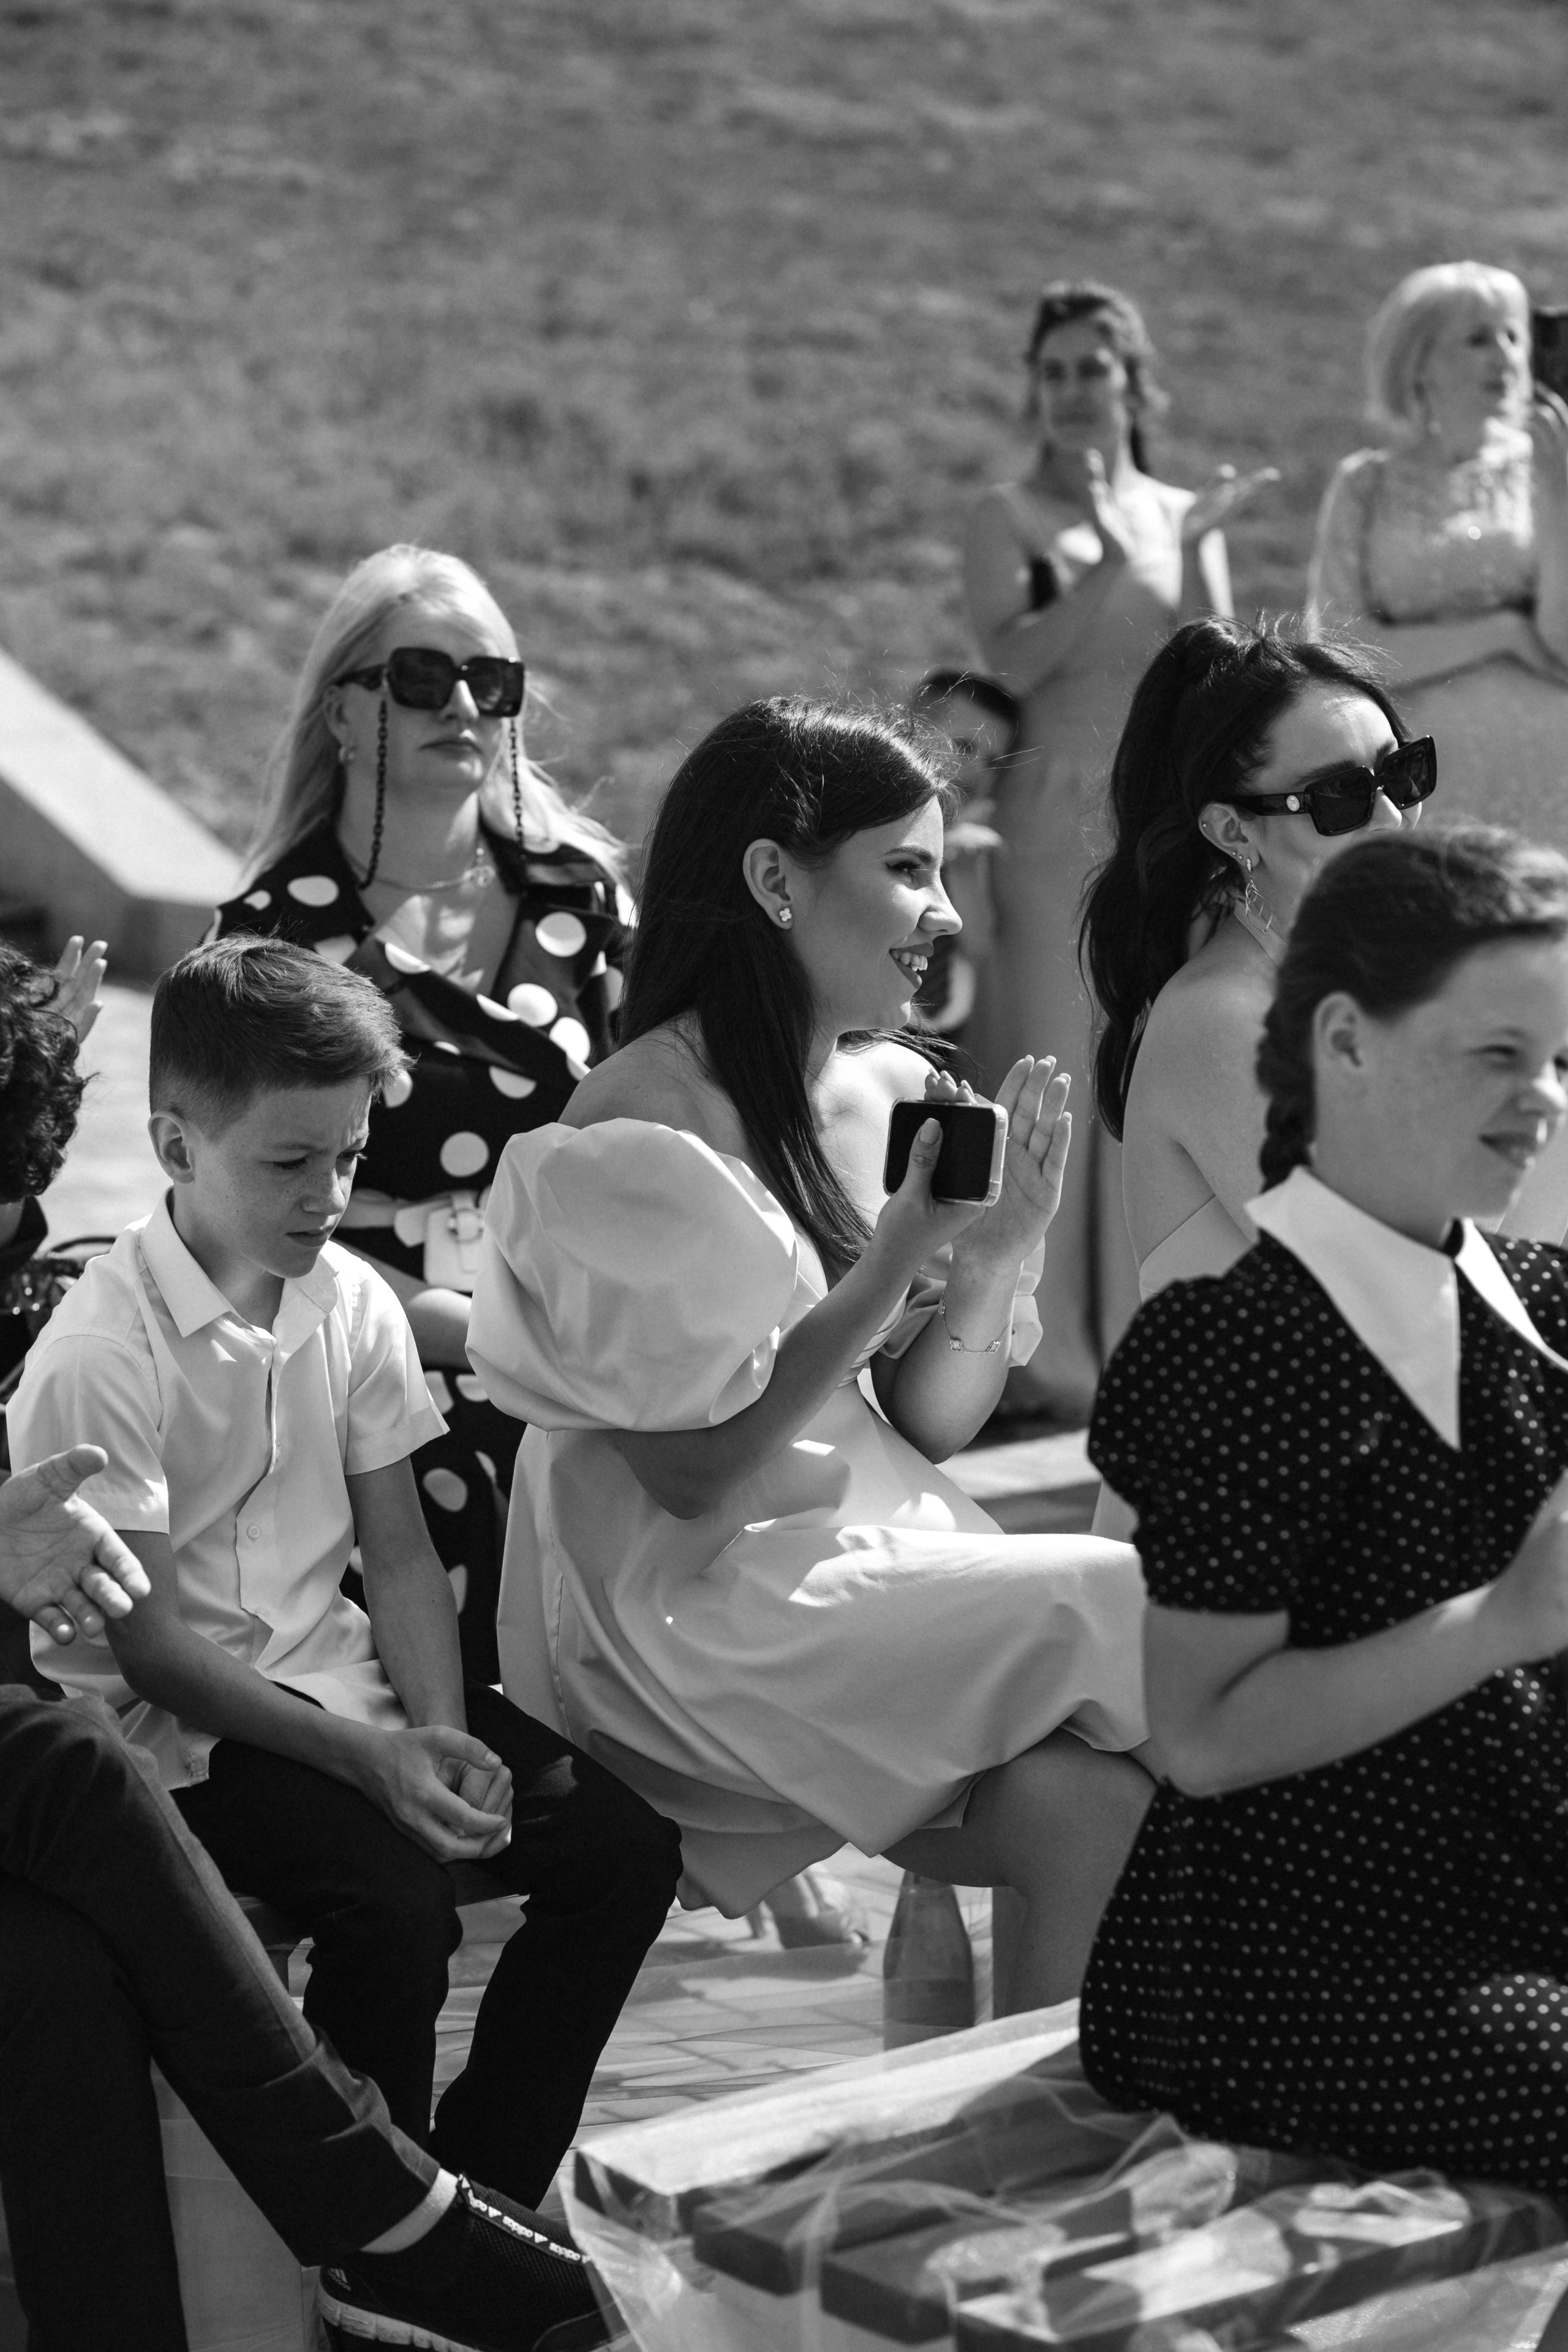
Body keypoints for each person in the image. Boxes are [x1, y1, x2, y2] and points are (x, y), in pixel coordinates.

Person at [467, 699, 1152, 2015]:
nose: (946, 911)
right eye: (906, 869)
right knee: (1133, 1605)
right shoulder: (626, 1136)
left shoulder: (891, 1089)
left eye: (941, 869)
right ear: (774, 879)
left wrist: (999, 1253)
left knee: (1088, 1798)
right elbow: (695, 1476)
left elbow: (928, 1426)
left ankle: (1042, 2158)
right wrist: (892, 1258)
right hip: (701, 1615)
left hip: (870, 1563)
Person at [7, 936, 680, 2210]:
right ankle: (372, 2237)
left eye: (350, 1160)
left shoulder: (351, 1300)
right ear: (175, 1149)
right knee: (395, 1906)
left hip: (347, 1692)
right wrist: (379, 1768)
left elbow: (400, 1552)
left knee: (622, 1852)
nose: (327, 1195)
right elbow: (151, 1655)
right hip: (181, 1741)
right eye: (290, 1163)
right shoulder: (104, 1345)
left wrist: (431, 1736)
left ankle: (470, 2195)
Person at [1080, 824, 1568, 2198]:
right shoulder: (1238, 1344)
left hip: (1514, 1891)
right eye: (1494, 1054)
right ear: (1344, 1043)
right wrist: (1496, 1624)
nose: (1539, 1101)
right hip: (1287, 1964)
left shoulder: (1541, 1303)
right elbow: (1201, 1738)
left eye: (1554, 1061)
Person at [213, 545, 628, 1683]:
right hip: (361, 1353)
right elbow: (243, 1215)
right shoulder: (271, 939)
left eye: (491, 682)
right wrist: (459, 1332)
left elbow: (656, 1146)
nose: (462, 705)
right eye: (419, 678)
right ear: (344, 713)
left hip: (570, 1347)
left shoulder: (580, 900)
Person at [962, 279, 1275, 1419]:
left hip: (1153, 824)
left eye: (1097, 368)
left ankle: (1154, 1334)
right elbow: (1018, 658)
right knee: (1058, 1065)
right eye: (1055, 371)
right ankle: (1043, 1355)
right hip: (1052, 824)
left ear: (1135, 384)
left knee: (1150, 1064)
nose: (1076, 390)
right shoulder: (1008, 516)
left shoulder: (1184, 509)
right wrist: (1099, 555)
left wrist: (1191, 551)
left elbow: (1212, 665)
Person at [1079, 617, 1429, 1305]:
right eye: (1340, 797)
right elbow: (1393, 1292)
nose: (1390, 817)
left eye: (1401, 772)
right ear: (1234, 830)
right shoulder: (1222, 1020)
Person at [1308, 262, 1568, 846]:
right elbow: (1342, 655)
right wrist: (1501, 632)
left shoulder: (1554, 470)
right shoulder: (1364, 486)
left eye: (1513, 336)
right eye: (1479, 339)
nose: (1503, 356)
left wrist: (1560, 498)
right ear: (1419, 360)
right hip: (1416, 792)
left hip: (1557, 781)